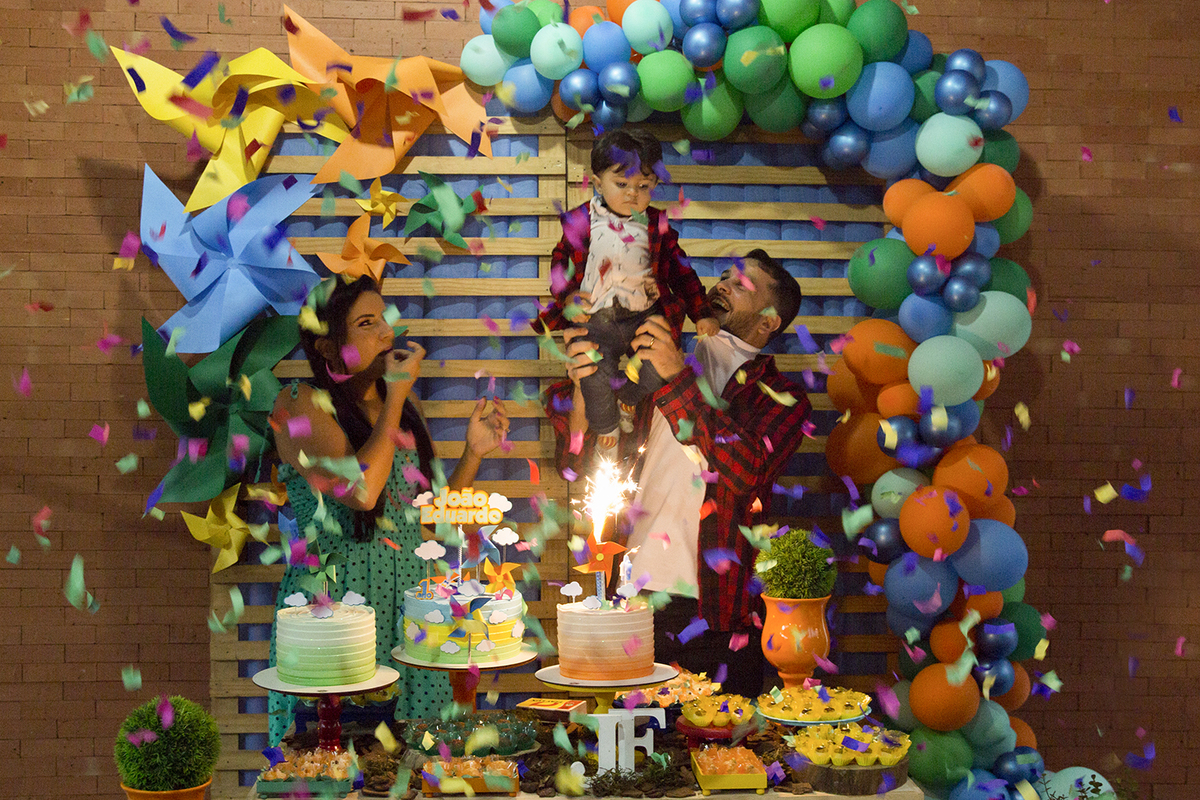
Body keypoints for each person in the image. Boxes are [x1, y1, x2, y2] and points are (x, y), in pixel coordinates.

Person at [544, 250, 811, 697]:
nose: (723, 284)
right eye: (725, 275)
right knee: (626, 758)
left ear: (769, 321)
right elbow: (578, 467)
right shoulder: (647, 367)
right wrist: (584, 387)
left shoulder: (781, 398)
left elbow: (746, 472)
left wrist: (675, 378)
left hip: (719, 617)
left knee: (720, 758)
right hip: (630, 604)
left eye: (743, 284)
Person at [267, 275, 509, 744]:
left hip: (415, 615)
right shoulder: (298, 402)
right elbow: (362, 494)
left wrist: (473, 453)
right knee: (339, 761)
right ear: (327, 347)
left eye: (384, 319)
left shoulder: (394, 403)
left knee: (420, 766)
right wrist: (397, 394)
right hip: (339, 616)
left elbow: (428, 521)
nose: (386, 333)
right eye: (366, 322)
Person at [535, 128, 719, 455]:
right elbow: (560, 260)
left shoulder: (658, 226)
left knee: (654, 368)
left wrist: (701, 312)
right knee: (594, 376)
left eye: (643, 186)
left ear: (655, 186)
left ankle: (629, 401)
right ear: (597, 182)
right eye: (621, 184)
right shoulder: (581, 221)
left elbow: (682, 271)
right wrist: (566, 296)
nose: (632, 194)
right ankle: (607, 429)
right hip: (596, 317)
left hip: (643, 316)